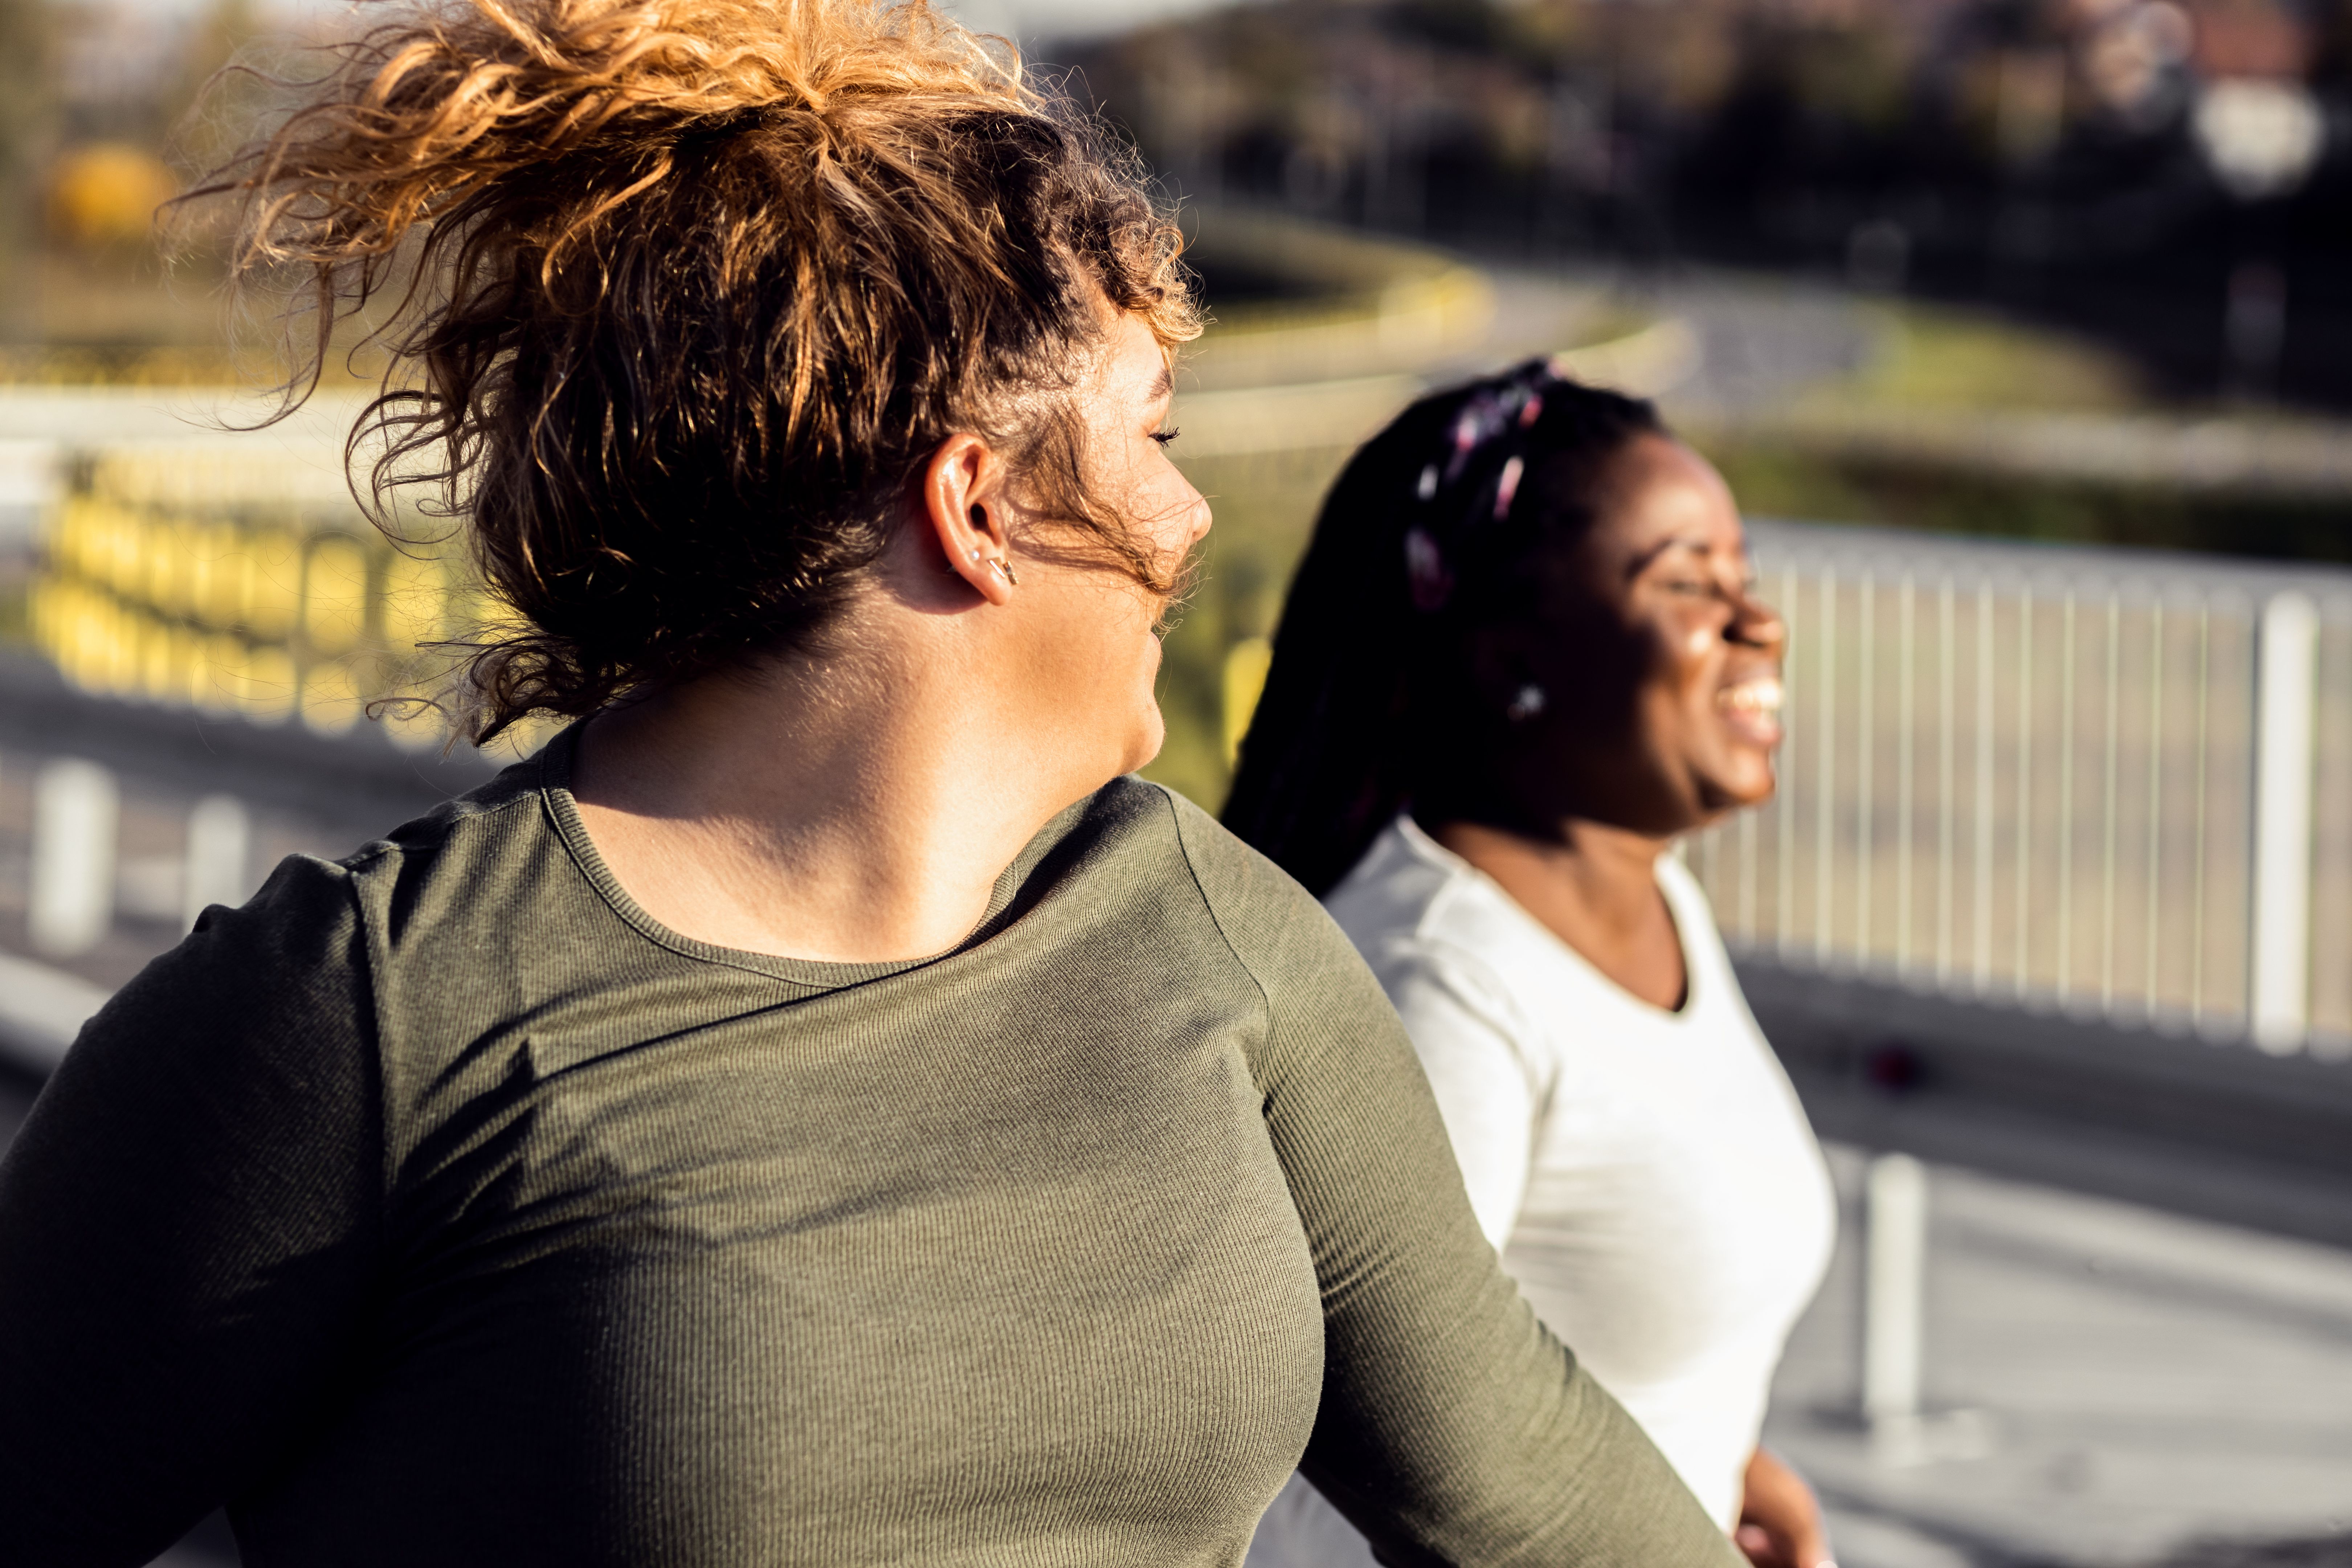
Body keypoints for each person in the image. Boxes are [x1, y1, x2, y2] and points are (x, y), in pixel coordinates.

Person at [0, 6, 1748, 1567]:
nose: (1189, 521)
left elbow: (1525, 1496)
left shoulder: (1218, 938)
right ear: (979, 509)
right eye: (1155, 437)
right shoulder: (364, 1021)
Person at [1226, 364, 1839, 1568]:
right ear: (1511, 652)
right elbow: (1326, 1507)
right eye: (1684, 583)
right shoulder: (1439, 985)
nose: (1755, 622)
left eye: (1743, 577)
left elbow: (1591, 1357)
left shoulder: (1646, 896)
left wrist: (1724, 1472)